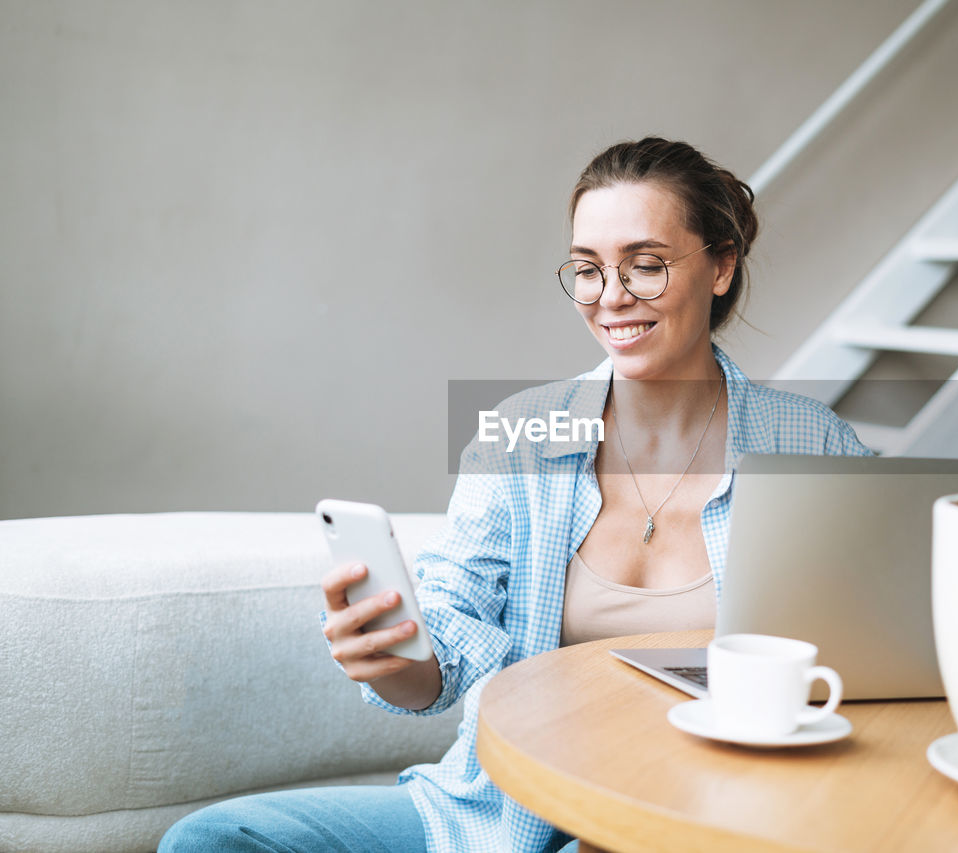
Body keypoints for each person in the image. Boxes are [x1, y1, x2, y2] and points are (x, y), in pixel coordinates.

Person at [159, 137, 872, 853]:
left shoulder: (814, 446)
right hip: (505, 812)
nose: (611, 296)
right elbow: (446, 645)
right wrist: (394, 656)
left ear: (720, 266)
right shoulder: (521, 438)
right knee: (217, 838)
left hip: (700, 817)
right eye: (587, 270)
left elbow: (876, 657)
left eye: (646, 265)